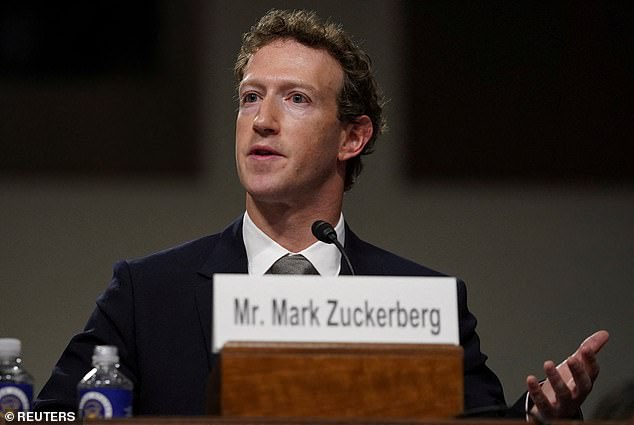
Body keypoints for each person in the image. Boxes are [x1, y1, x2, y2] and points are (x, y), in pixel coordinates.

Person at [34, 9, 608, 418]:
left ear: (352, 137)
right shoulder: (147, 292)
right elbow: (48, 418)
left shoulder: (421, 301)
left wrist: (540, 416)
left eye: (296, 98)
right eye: (251, 97)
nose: (261, 120)